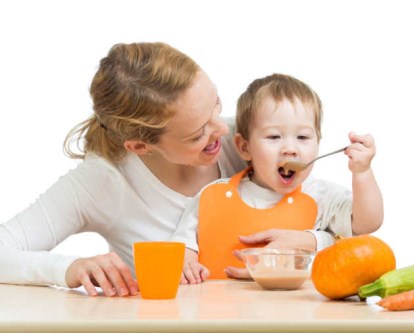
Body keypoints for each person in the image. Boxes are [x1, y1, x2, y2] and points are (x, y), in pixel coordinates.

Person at [0, 43, 330, 297]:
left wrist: (310, 240)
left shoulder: (251, 144)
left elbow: (335, 219)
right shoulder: (104, 181)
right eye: (198, 133)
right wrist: (67, 267)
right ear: (141, 147)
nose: (222, 130)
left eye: (216, 105)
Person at [173, 73, 384, 284]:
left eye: (303, 137)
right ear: (244, 147)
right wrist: (187, 260)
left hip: (296, 313)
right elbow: (182, 247)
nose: (290, 149)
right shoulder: (212, 196)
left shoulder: (321, 196)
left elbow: (367, 223)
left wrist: (362, 172)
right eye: (274, 137)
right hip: (220, 312)